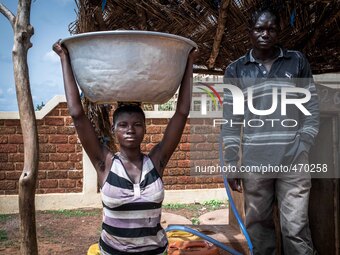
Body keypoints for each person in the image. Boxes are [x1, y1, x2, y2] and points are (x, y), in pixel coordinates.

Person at [53, 41, 195, 255]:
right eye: (123, 125)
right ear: (114, 129)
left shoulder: (156, 162)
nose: (130, 130)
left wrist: (189, 62)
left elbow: (182, 113)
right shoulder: (105, 163)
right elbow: (77, 114)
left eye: (137, 124)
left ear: (145, 129)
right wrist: (65, 59)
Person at [222, 8, 319, 255]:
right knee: (258, 229)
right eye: (259, 29)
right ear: (249, 32)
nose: (265, 34)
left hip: (294, 161)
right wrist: (232, 161)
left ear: (279, 31)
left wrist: (303, 144)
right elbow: (231, 119)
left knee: (295, 228)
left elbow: (311, 108)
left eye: (271, 29)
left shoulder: (296, 62)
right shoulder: (236, 70)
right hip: (255, 162)